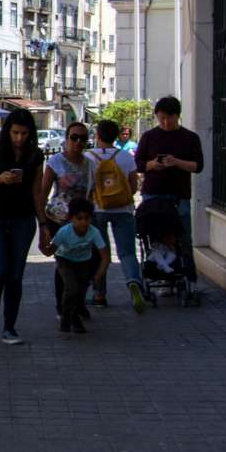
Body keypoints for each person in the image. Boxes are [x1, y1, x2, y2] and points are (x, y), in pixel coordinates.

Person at [0, 107, 43, 345]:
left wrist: (44, 225)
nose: (19, 138)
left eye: (24, 133)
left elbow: (37, 192)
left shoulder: (35, 155)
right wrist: (0, 179)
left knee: (15, 275)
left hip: (23, 219)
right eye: (15, 133)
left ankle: (9, 327)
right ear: (8, 131)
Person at [133, 96, 204, 283]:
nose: (165, 122)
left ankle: (189, 279)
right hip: (153, 194)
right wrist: (152, 164)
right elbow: (138, 164)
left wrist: (176, 162)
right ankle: (160, 276)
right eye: (161, 118)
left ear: (177, 116)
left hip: (179, 195)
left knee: (183, 238)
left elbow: (197, 166)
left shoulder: (190, 138)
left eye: (169, 118)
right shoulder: (149, 137)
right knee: (155, 238)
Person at [87, 118, 146, 312]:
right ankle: (134, 283)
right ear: (116, 136)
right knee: (127, 252)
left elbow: (87, 186)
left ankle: (99, 294)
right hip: (123, 209)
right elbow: (133, 185)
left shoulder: (88, 157)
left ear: (97, 135)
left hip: (97, 209)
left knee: (100, 253)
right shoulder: (126, 157)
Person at [36, 123, 94, 316]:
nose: (78, 142)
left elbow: (92, 194)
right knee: (65, 264)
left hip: (82, 223)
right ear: (67, 138)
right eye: (74, 137)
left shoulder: (90, 164)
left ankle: (78, 302)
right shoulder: (55, 162)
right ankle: (63, 307)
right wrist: (42, 226)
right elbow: (43, 194)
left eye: (83, 138)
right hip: (58, 220)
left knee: (84, 264)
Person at [49, 197, 108, 334]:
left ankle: (74, 313)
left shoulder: (94, 232)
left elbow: (105, 257)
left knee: (80, 292)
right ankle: (68, 317)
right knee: (71, 287)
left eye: (87, 218)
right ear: (71, 219)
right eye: (79, 218)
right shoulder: (64, 232)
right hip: (64, 260)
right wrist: (44, 244)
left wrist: (98, 276)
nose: (83, 222)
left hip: (83, 262)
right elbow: (50, 251)